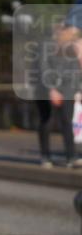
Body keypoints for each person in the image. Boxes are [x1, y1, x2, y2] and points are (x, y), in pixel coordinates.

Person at [38, 22, 82, 168]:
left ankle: (71, 156)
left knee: (67, 122)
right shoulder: (45, 46)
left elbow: (76, 69)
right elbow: (43, 68)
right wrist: (51, 89)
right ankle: (45, 156)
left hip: (67, 90)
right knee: (47, 122)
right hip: (47, 91)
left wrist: (78, 90)